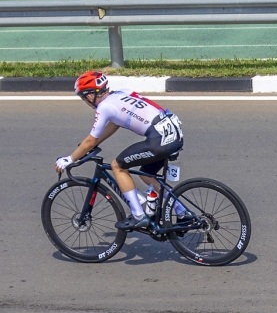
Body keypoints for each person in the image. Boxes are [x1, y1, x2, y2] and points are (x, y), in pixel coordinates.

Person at [55, 71, 187, 231]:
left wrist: (70, 158)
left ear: (90, 96)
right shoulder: (121, 93)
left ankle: (138, 215)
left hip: (159, 140)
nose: (86, 102)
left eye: (84, 98)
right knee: (147, 175)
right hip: (173, 134)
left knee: (118, 166)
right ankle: (182, 212)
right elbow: (115, 123)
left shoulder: (104, 107)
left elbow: (90, 140)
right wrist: (96, 142)